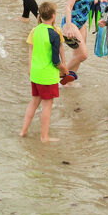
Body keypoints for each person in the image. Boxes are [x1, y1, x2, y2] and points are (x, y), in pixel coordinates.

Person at [19, 11, 66, 143]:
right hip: (47, 75)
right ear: (53, 15)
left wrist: (30, 69)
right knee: (47, 105)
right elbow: (56, 59)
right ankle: (44, 137)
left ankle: (23, 131)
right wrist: (64, 68)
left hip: (35, 72)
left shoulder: (35, 30)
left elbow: (31, 50)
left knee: (34, 102)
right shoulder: (55, 32)